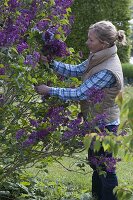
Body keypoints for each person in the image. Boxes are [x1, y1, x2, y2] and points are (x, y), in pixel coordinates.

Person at [35, 20, 126, 200]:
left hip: (105, 126)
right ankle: (97, 197)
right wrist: (51, 63)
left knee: (106, 169)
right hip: (96, 122)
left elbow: (79, 94)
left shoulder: (108, 69)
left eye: (90, 40)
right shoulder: (99, 55)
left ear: (104, 43)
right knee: (96, 165)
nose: (87, 43)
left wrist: (49, 90)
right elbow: (77, 70)